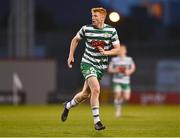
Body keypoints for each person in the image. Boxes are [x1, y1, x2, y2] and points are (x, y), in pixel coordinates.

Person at [61, 7, 120, 130]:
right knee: (96, 89)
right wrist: (70, 55)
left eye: (96, 16)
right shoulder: (86, 28)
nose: (93, 18)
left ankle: (68, 106)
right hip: (87, 63)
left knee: (85, 94)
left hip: (100, 66)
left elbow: (117, 49)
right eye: (92, 15)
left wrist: (106, 52)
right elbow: (75, 39)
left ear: (103, 17)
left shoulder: (111, 31)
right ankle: (97, 122)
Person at [108, 44, 136, 117]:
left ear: (125, 51)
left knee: (127, 97)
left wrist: (129, 72)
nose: (121, 52)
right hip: (117, 80)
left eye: (122, 50)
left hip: (125, 81)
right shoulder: (114, 60)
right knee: (118, 94)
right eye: (120, 50)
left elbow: (133, 68)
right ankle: (118, 110)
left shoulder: (129, 59)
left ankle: (119, 104)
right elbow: (110, 69)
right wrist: (115, 70)